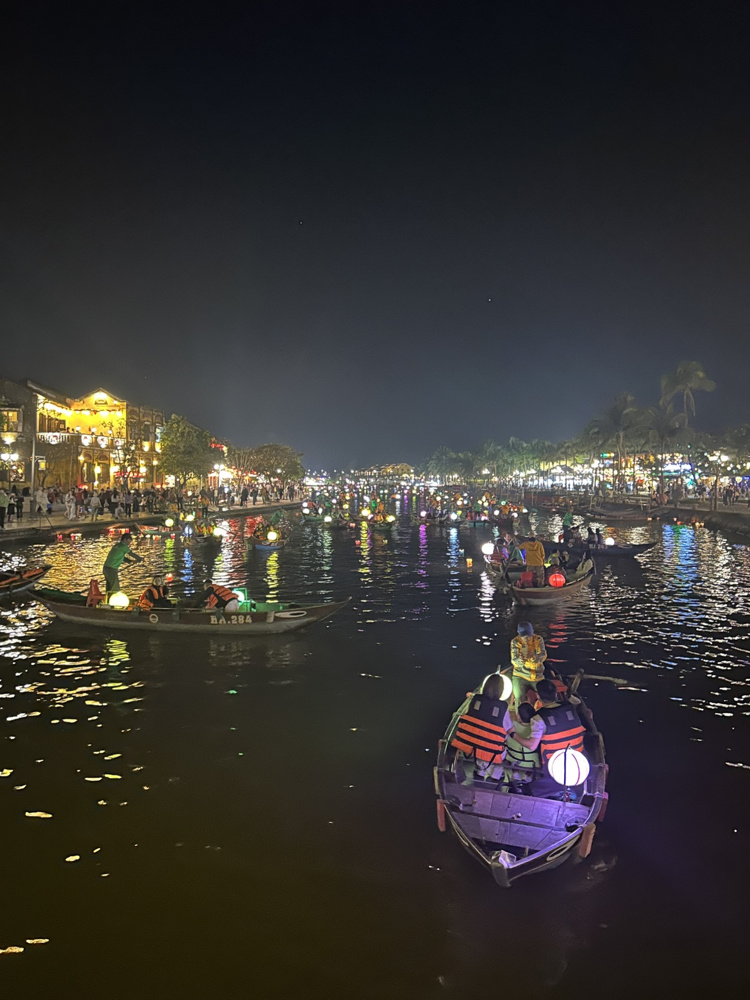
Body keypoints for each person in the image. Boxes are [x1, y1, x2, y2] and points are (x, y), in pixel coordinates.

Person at [506, 679, 586, 797]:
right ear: (555, 694)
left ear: (538, 696)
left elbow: (532, 746)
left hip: (554, 764)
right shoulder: (571, 707)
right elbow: (576, 701)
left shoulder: (539, 719)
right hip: (578, 757)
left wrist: (513, 734)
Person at [450, 673, 508, 783]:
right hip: (489, 753)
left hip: (467, 748)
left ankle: (479, 771)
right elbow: (509, 729)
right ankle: (495, 776)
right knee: (506, 744)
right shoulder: (503, 708)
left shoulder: (474, 699)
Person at [510, 621, 547, 706]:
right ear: (519, 634)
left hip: (537, 675)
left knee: (545, 696)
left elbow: (543, 655)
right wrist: (520, 660)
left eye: (529, 636)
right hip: (520, 675)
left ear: (532, 632)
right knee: (519, 698)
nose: (527, 638)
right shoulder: (515, 642)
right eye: (524, 636)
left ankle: (542, 715)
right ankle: (520, 716)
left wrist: (534, 657)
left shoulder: (538, 639)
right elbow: (514, 660)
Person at [102, 533, 144, 597]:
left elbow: (122, 557)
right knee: (114, 588)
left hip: (106, 568)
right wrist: (140, 558)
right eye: (128, 541)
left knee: (109, 586)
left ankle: (107, 599)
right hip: (111, 569)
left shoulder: (117, 545)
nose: (129, 544)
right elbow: (132, 554)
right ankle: (113, 602)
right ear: (125, 539)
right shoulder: (124, 546)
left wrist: (130, 561)